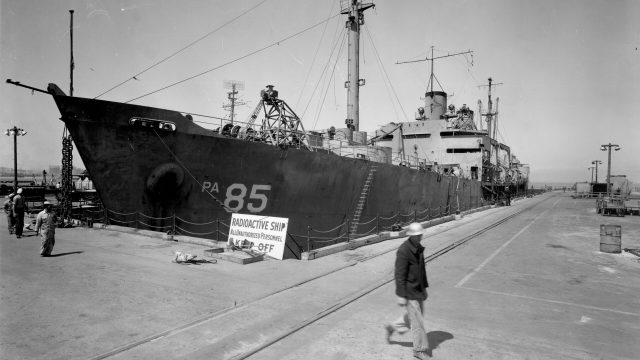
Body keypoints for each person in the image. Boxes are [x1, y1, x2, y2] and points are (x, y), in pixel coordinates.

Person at [385, 222, 430, 359]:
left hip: (418, 289)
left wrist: (424, 288)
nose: (419, 237)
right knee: (418, 322)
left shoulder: (418, 247)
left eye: (420, 235)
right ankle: (418, 350)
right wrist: (401, 295)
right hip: (410, 291)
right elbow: (399, 274)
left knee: (412, 318)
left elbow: (421, 271)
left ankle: (392, 327)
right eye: (416, 235)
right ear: (410, 236)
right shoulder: (404, 250)